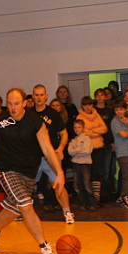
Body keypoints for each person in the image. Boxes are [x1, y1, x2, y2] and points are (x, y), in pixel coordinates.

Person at [0, 88, 64, 254]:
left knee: (16, 206)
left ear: (25, 103)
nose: (13, 107)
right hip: (6, 169)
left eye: (17, 103)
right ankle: (45, 248)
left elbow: (47, 148)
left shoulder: (35, 121)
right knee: (25, 205)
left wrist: (59, 172)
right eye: (10, 103)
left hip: (29, 171)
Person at [31, 85, 74, 224]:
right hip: (33, 157)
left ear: (46, 96)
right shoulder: (28, 114)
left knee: (58, 184)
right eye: (36, 95)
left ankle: (67, 213)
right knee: (25, 186)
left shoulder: (53, 114)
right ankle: (19, 213)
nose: (39, 97)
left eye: (41, 95)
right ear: (33, 96)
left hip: (50, 157)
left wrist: (60, 148)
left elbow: (64, 133)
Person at [76, 96, 107, 208]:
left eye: (90, 105)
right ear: (82, 106)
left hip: (98, 147)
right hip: (87, 150)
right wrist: (96, 132)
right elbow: (83, 131)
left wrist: (91, 131)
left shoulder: (96, 114)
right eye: (85, 105)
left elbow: (104, 128)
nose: (88, 107)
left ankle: (96, 198)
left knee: (97, 173)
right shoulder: (80, 117)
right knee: (87, 175)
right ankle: (89, 198)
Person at [110, 101, 128, 209]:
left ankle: (122, 196)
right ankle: (126, 196)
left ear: (125, 110)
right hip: (122, 152)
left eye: (121, 109)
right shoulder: (114, 121)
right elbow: (124, 134)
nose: (119, 112)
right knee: (127, 175)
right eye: (116, 110)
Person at [94, 88, 116, 202]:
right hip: (96, 144)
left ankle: (106, 193)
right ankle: (98, 194)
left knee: (107, 169)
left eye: (102, 95)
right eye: (97, 95)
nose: (100, 97)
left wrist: (113, 142)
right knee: (98, 170)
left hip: (107, 143)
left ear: (105, 97)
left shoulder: (110, 110)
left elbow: (112, 128)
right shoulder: (93, 111)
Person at [68, 119, 95, 210]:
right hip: (76, 163)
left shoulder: (87, 138)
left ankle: (92, 204)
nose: (77, 129)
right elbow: (70, 151)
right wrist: (79, 150)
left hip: (85, 164)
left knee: (86, 184)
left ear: (83, 128)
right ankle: (83, 203)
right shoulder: (73, 140)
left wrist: (76, 151)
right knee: (77, 185)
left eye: (79, 127)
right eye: (75, 127)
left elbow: (87, 151)